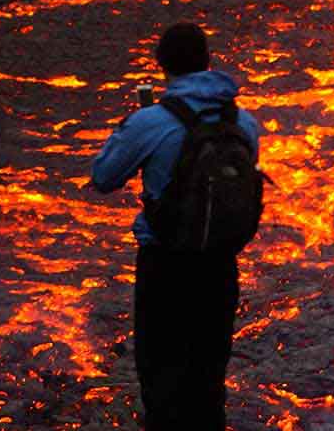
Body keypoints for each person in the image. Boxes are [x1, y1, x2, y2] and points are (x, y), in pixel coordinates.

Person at [91, 23, 261, 431]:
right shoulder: (244, 122)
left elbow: (104, 177)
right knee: (209, 377)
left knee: (161, 378)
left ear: (161, 65)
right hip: (220, 264)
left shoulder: (151, 121)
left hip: (165, 266)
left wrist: (131, 128)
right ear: (208, 61)